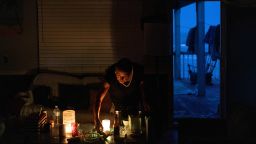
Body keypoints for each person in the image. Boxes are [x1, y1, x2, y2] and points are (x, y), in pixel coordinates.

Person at [94, 58, 150, 131]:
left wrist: (145, 102)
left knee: (135, 130)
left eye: (123, 77)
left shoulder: (138, 71)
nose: (119, 79)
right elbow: (99, 98)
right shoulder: (111, 73)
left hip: (134, 106)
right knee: (119, 130)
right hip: (117, 107)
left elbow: (143, 89)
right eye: (117, 75)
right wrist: (96, 119)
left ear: (131, 74)